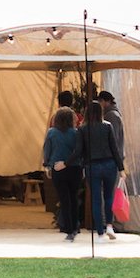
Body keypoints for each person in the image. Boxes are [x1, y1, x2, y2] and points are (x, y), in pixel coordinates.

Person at [81, 98, 125, 241]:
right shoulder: (107, 126)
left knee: (96, 199)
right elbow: (114, 149)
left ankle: (99, 232)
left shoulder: (83, 129)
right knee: (108, 197)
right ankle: (110, 226)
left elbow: (80, 151)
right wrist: (121, 168)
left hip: (92, 166)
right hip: (109, 165)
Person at [43, 107, 84, 241]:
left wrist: (47, 166)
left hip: (58, 168)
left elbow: (47, 150)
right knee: (73, 197)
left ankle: (68, 227)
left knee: (64, 199)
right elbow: (79, 151)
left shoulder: (51, 133)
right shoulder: (76, 133)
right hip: (74, 168)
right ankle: (75, 225)